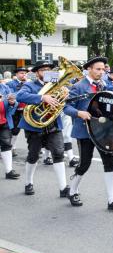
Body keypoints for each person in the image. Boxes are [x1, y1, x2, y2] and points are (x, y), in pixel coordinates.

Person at [64, 56, 113, 210]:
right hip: (85, 131)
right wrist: (78, 113)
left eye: (103, 69)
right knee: (84, 164)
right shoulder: (79, 86)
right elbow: (66, 107)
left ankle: (112, 199)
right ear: (89, 69)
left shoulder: (104, 84)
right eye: (98, 69)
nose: (102, 72)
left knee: (110, 163)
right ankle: (73, 190)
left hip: (103, 131)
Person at [16, 61, 69, 198]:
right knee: (33, 155)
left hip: (53, 125)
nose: (46, 72)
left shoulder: (57, 84)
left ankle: (63, 187)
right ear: (37, 73)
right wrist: (42, 97)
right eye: (43, 70)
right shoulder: (30, 85)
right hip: (34, 126)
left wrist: (66, 95)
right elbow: (19, 96)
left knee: (58, 153)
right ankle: (28, 182)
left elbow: (64, 101)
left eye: (49, 70)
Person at [7, 67, 28, 157]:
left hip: (26, 110)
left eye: (25, 73)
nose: (23, 75)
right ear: (16, 75)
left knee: (30, 131)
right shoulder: (10, 84)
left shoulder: (29, 83)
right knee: (14, 130)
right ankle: (11, 147)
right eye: (21, 73)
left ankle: (34, 148)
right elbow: (9, 96)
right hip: (15, 110)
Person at [0, 82, 18, 179]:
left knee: (6, 145)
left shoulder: (5, 87)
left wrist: (12, 103)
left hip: (4, 122)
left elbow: (14, 105)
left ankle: (9, 171)